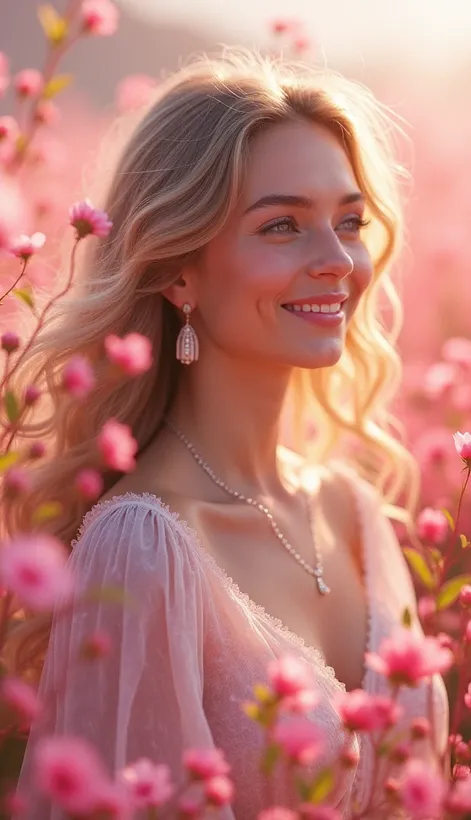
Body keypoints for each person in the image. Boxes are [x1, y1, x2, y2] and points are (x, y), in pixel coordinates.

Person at [9, 49, 448, 818]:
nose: (340, 260)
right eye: (283, 225)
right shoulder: (145, 547)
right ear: (179, 270)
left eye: (348, 221)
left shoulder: (355, 514)